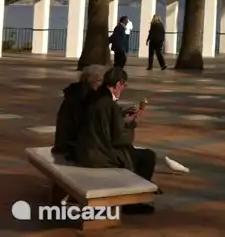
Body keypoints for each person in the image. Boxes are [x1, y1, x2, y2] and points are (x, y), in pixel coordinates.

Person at [73, 67, 159, 212]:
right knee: (147, 156)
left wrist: (121, 118)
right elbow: (120, 139)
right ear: (118, 84)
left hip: (86, 148)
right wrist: (132, 123)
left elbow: (106, 124)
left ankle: (132, 196)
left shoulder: (96, 98)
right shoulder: (108, 104)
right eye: (123, 86)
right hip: (97, 155)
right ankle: (132, 202)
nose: (123, 89)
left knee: (134, 154)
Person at [52, 64, 107, 160]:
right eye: (99, 81)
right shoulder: (86, 98)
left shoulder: (75, 92)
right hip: (74, 148)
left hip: (66, 144)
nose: (102, 85)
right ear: (90, 80)